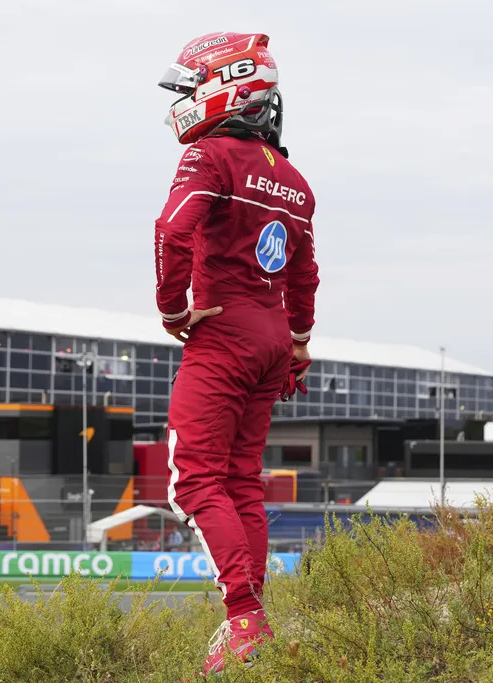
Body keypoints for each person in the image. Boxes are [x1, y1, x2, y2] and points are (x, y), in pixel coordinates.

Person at [153, 31, 320, 675]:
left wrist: (172, 309)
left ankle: (245, 620)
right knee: (241, 480)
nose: (186, 100)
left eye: (192, 86)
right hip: (273, 337)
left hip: (221, 333)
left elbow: (172, 228)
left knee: (192, 481)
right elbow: (304, 276)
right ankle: (257, 622)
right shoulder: (297, 182)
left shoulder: (210, 155)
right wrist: (296, 346)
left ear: (229, 87)